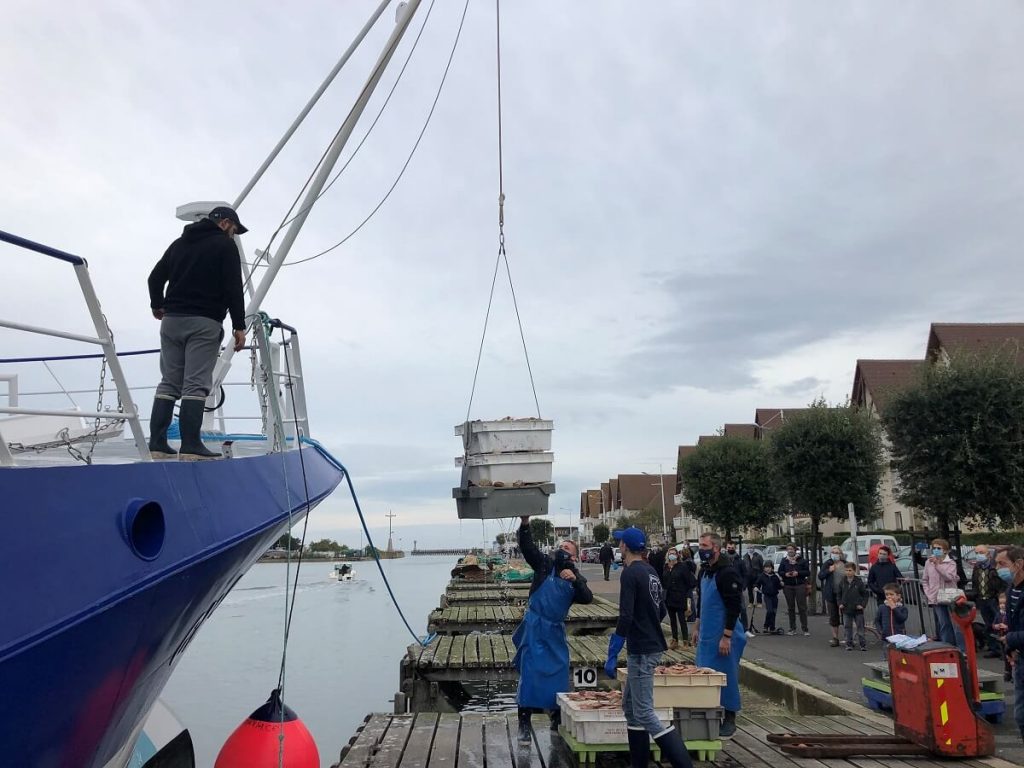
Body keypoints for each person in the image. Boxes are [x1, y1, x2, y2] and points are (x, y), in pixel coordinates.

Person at [147, 206, 248, 459]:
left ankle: (158, 444)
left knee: (169, 382)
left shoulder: (178, 244)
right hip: (204, 322)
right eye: (234, 231)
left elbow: (154, 278)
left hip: (171, 321)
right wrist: (239, 325)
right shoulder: (225, 247)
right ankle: (191, 446)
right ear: (225, 224)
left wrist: (157, 305)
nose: (234, 236)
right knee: (195, 384)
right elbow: (234, 287)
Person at [603, 528, 693, 768]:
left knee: (644, 712)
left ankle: (684, 764)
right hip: (650, 643)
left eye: (620, 542)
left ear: (624, 547)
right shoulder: (650, 570)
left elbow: (626, 615)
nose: (619, 545)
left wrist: (614, 649)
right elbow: (661, 609)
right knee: (630, 707)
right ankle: (639, 763)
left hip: (642, 648)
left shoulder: (630, 573)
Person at [513, 515, 593, 743]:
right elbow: (527, 548)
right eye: (560, 546)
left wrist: (575, 578)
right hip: (534, 628)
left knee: (559, 676)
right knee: (529, 676)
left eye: (567, 547)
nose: (562, 549)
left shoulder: (575, 576)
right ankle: (524, 725)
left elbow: (587, 598)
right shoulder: (544, 565)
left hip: (555, 633)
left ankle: (556, 721)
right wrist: (525, 524)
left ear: (574, 556)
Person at [692, 531, 746, 737]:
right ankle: (708, 716)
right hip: (707, 633)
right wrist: (696, 627)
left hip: (724, 634)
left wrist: (727, 636)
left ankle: (730, 717)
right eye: (700, 546)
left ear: (716, 548)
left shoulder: (727, 572)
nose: (701, 550)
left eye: (705, 546)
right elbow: (701, 602)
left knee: (726, 677)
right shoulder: (704, 571)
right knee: (704, 677)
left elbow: (734, 606)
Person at [994, 546, 1024, 744]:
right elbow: (1013, 624)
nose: (997, 568)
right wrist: (1010, 649)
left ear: (1018, 564)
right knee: (1021, 716)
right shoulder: (1011, 589)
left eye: (1002, 564)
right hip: (1020, 658)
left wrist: (1011, 640)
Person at [922, 538, 964, 652]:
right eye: (934, 548)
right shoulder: (928, 563)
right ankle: (947, 648)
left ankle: (961, 649)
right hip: (936, 598)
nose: (936, 550)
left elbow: (948, 577)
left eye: (938, 548)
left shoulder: (951, 563)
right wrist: (928, 593)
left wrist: (937, 565)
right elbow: (925, 580)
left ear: (945, 551)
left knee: (956, 624)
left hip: (950, 597)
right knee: (944, 624)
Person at [970, 544, 1006, 659]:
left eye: (981, 552)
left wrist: (1000, 597)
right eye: (976, 553)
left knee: (1001, 624)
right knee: (989, 625)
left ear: (988, 554)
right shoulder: (977, 568)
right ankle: (994, 648)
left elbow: (1001, 583)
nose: (978, 555)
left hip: (993, 599)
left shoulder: (994, 567)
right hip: (982, 599)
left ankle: (1004, 650)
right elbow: (975, 582)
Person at [662, 546, 695, 649]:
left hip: (680, 596)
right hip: (669, 597)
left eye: (674, 553)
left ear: (677, 555)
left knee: (682, 620)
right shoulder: (666, 566)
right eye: (670, 553)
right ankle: (674, 639)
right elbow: (664, 580)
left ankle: (685, 641)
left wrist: (688, 597)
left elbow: (690, 582)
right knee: (672, 620)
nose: (672, 555)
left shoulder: (682, 566)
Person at [818, 545, 849, 648]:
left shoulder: (845, 564)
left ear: (841, 554)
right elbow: (821, 576)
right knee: (833, 616)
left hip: (843, 594)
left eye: (837, 552)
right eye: (833, 552)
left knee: (846, 616)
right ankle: (835, 638)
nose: (835, 554)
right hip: (831, 594)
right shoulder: (828, 563)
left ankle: (848, 637)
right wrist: (829, 571)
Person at [779, 544, 810, 636]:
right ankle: (792, 628)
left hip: (799, 585)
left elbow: (807, 572)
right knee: (791, 607)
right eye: (788, 549)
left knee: (802, 607)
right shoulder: (784, 561)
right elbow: (780, 571)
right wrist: (785, 574)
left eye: (791, 549)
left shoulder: (802, 560)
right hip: (788, 586)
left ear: (795, 550)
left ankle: (805, 628)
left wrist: (798, 573)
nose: (790, 551)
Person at [838, 562, 869, 652]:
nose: (848, 572)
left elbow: (865, 595)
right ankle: (849, 644)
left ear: (854, 571)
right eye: (846, 570)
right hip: (846, 608)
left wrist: (862, 605)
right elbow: (839, 594)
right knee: (847, 627)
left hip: (857, 609)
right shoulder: (842, 582)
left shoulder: (859, 582)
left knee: (860, 627)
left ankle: (862, 644)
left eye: (850, 570)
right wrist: (840, 603)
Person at [755, 561, 783, 634]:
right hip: (767, 596)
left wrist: (781, 584)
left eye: (769, 567)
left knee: (774, 612)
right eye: (766, 567)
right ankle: (766, 625)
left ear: (772, 568)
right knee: (769, 611)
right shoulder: (762, 576)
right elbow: (757, 583)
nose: (767, 569)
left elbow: (779, 587)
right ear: (764, 568)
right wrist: (756, 587)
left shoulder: (775, 577)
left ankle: (772, 627)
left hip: (774, 596)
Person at [992, 591, 1012, 682]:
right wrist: (996, 626)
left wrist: (1006, 627)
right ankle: (1007, 672)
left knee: (1010, 655)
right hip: (1001, 637)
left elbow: (1013, 625)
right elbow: (993, 624)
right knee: (1005, 655)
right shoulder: (999, 614)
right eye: (1001, 603)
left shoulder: (1010, 613)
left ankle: (1012, 673)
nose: (1002, 605)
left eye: (1004, 603)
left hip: (1009, 637)